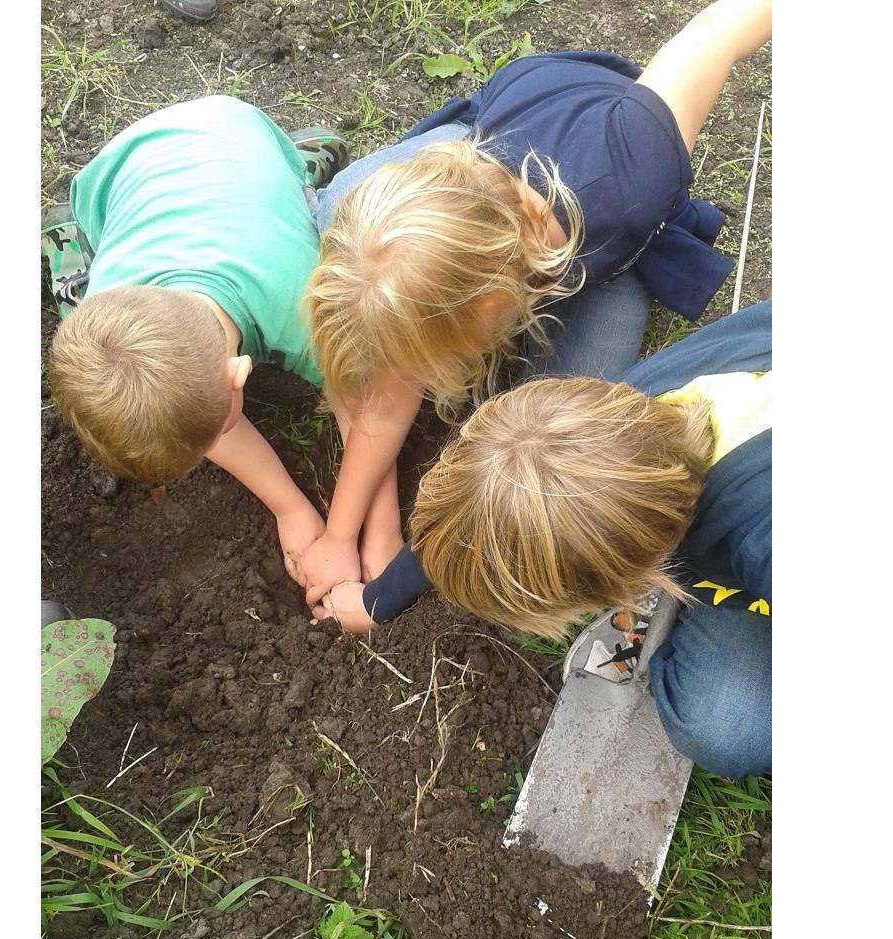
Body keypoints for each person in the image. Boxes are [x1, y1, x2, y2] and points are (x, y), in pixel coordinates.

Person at [294, 0, 774, 613]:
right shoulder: (448, 232)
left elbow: (722, 29)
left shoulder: (629, 161)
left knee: (572, 420)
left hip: (603, 257)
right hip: (484, 146)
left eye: (446, 357)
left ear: (510, 303)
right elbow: (385, 400)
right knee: (345, 215)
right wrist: (349, 532)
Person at [329, 301, 772, 778]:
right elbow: (477, 507)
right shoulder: (625, 417)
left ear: (625, 578)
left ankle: (686, 594)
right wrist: (378, 599)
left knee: (724, 734)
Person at [43, 95, 346, 584]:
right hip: (130, 167)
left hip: (240, 132)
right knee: (77, 310)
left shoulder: (308, 308)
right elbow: (192, 408)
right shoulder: (108, 304)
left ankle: (305, 160)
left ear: (238, 373)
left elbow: (368, 410)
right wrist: (290, 508)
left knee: (315, 208)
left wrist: (351, 538)